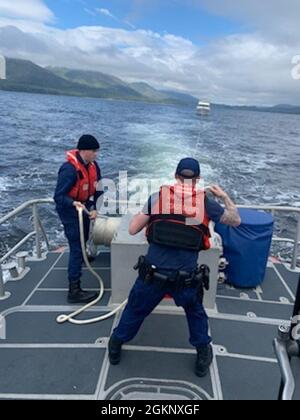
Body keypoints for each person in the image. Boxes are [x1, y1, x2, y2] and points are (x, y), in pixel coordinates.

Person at [108, 157, 241, 377]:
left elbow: (132, 230)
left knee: (134, 309)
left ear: (175, 176)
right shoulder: (206, 203)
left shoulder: (157, 198)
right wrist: (224, 197)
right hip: (186, 279)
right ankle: (202, 353)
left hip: (153, 275)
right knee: (196, 313)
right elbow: (235, 221)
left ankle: (115, 343)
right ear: (197, 179)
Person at [54, 135, 103, 304]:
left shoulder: (93, 166)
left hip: (84, 207)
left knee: (85, 238)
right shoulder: (69, 170)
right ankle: (74, 290)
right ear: (83, 150)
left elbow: (98, 188)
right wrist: (73, 202)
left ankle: (83, 256)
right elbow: (58, 197)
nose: (96, 154)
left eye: (97, 151)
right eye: (93, 151)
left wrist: (95, 207)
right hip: (69, 211)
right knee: (76, 247)